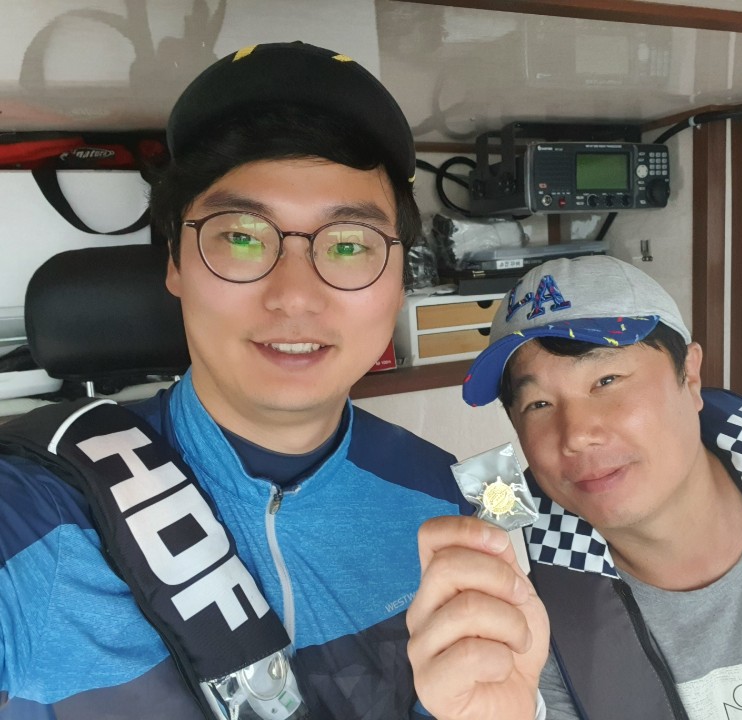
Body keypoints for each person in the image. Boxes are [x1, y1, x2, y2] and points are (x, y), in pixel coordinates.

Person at [0, 42, 472, 719]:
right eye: (243, 237)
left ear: (399, 281)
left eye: (348, 245)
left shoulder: (446, 504)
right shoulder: (37, 511)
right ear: (175, 262)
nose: (294, 296)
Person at [407, 254, 742, 720]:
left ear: (690, 376)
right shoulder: (530, 626)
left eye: (606, 380)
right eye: (538, 404)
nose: (575, 435)